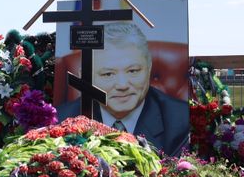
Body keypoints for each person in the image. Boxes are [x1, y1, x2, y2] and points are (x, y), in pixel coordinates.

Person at [56, 22, 190, 156]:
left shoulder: (182, 121)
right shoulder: (60, 121)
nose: (122, 85)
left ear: (149, 69)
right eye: (108, 74)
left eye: (133, 71)